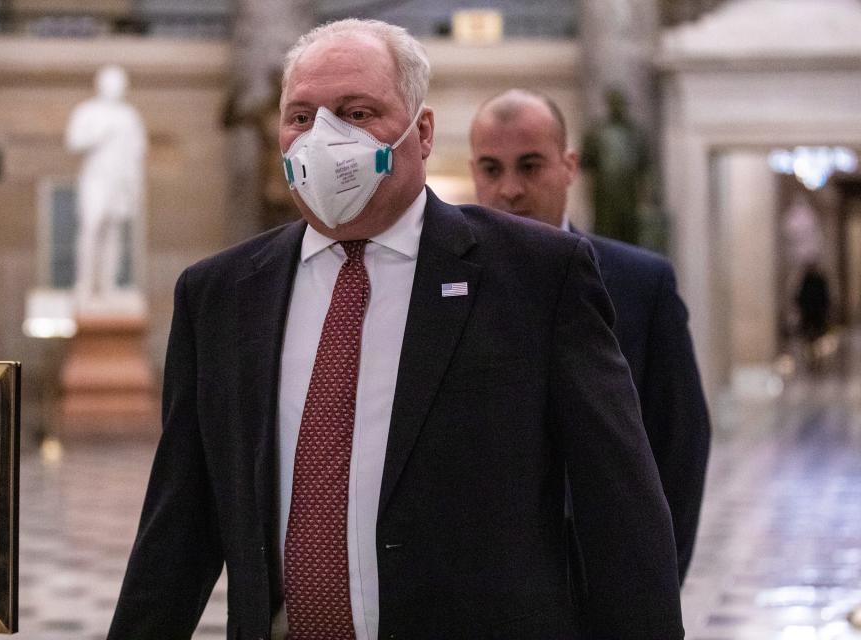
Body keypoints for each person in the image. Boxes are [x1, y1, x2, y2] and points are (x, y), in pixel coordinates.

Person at [109, 20, 683, 640]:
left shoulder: (538, 277)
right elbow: (178, 528)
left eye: (357, 112)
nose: (324, 137)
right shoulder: (219, 296)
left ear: (423, 131)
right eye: (301, 117)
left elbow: (620, 514)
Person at [469, 88, 710, 585]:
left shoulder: (642, 283)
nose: (510, 189)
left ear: (569, 166)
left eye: (530, 166)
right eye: (491, 169)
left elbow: (680, 440)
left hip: (604, 576)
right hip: (485, 581)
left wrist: (659, 580)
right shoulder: (444, 283)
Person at [65, 64, 146, 308]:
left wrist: (134, 186)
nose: (115, 88)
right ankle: (85, 284)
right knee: (91, 228)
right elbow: (74, 141)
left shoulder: (129, 115)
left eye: (119, 83)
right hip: (96, 178)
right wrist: (100, 134)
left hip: (119, 180)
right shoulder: (87, 111)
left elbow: (138, 151)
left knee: (113, 233)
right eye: (111, 82)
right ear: (101, 84)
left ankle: (108, 285)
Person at [579, 88, 650, 246]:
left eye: (621, 103)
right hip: (605, 193)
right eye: (615, 103)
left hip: (628, 192)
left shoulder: (635, 133)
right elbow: (585, 161)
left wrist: (647, 194)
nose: (618, 107)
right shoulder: (597, 132)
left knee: (629, 233)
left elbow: (645, 166)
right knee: (605, 232)